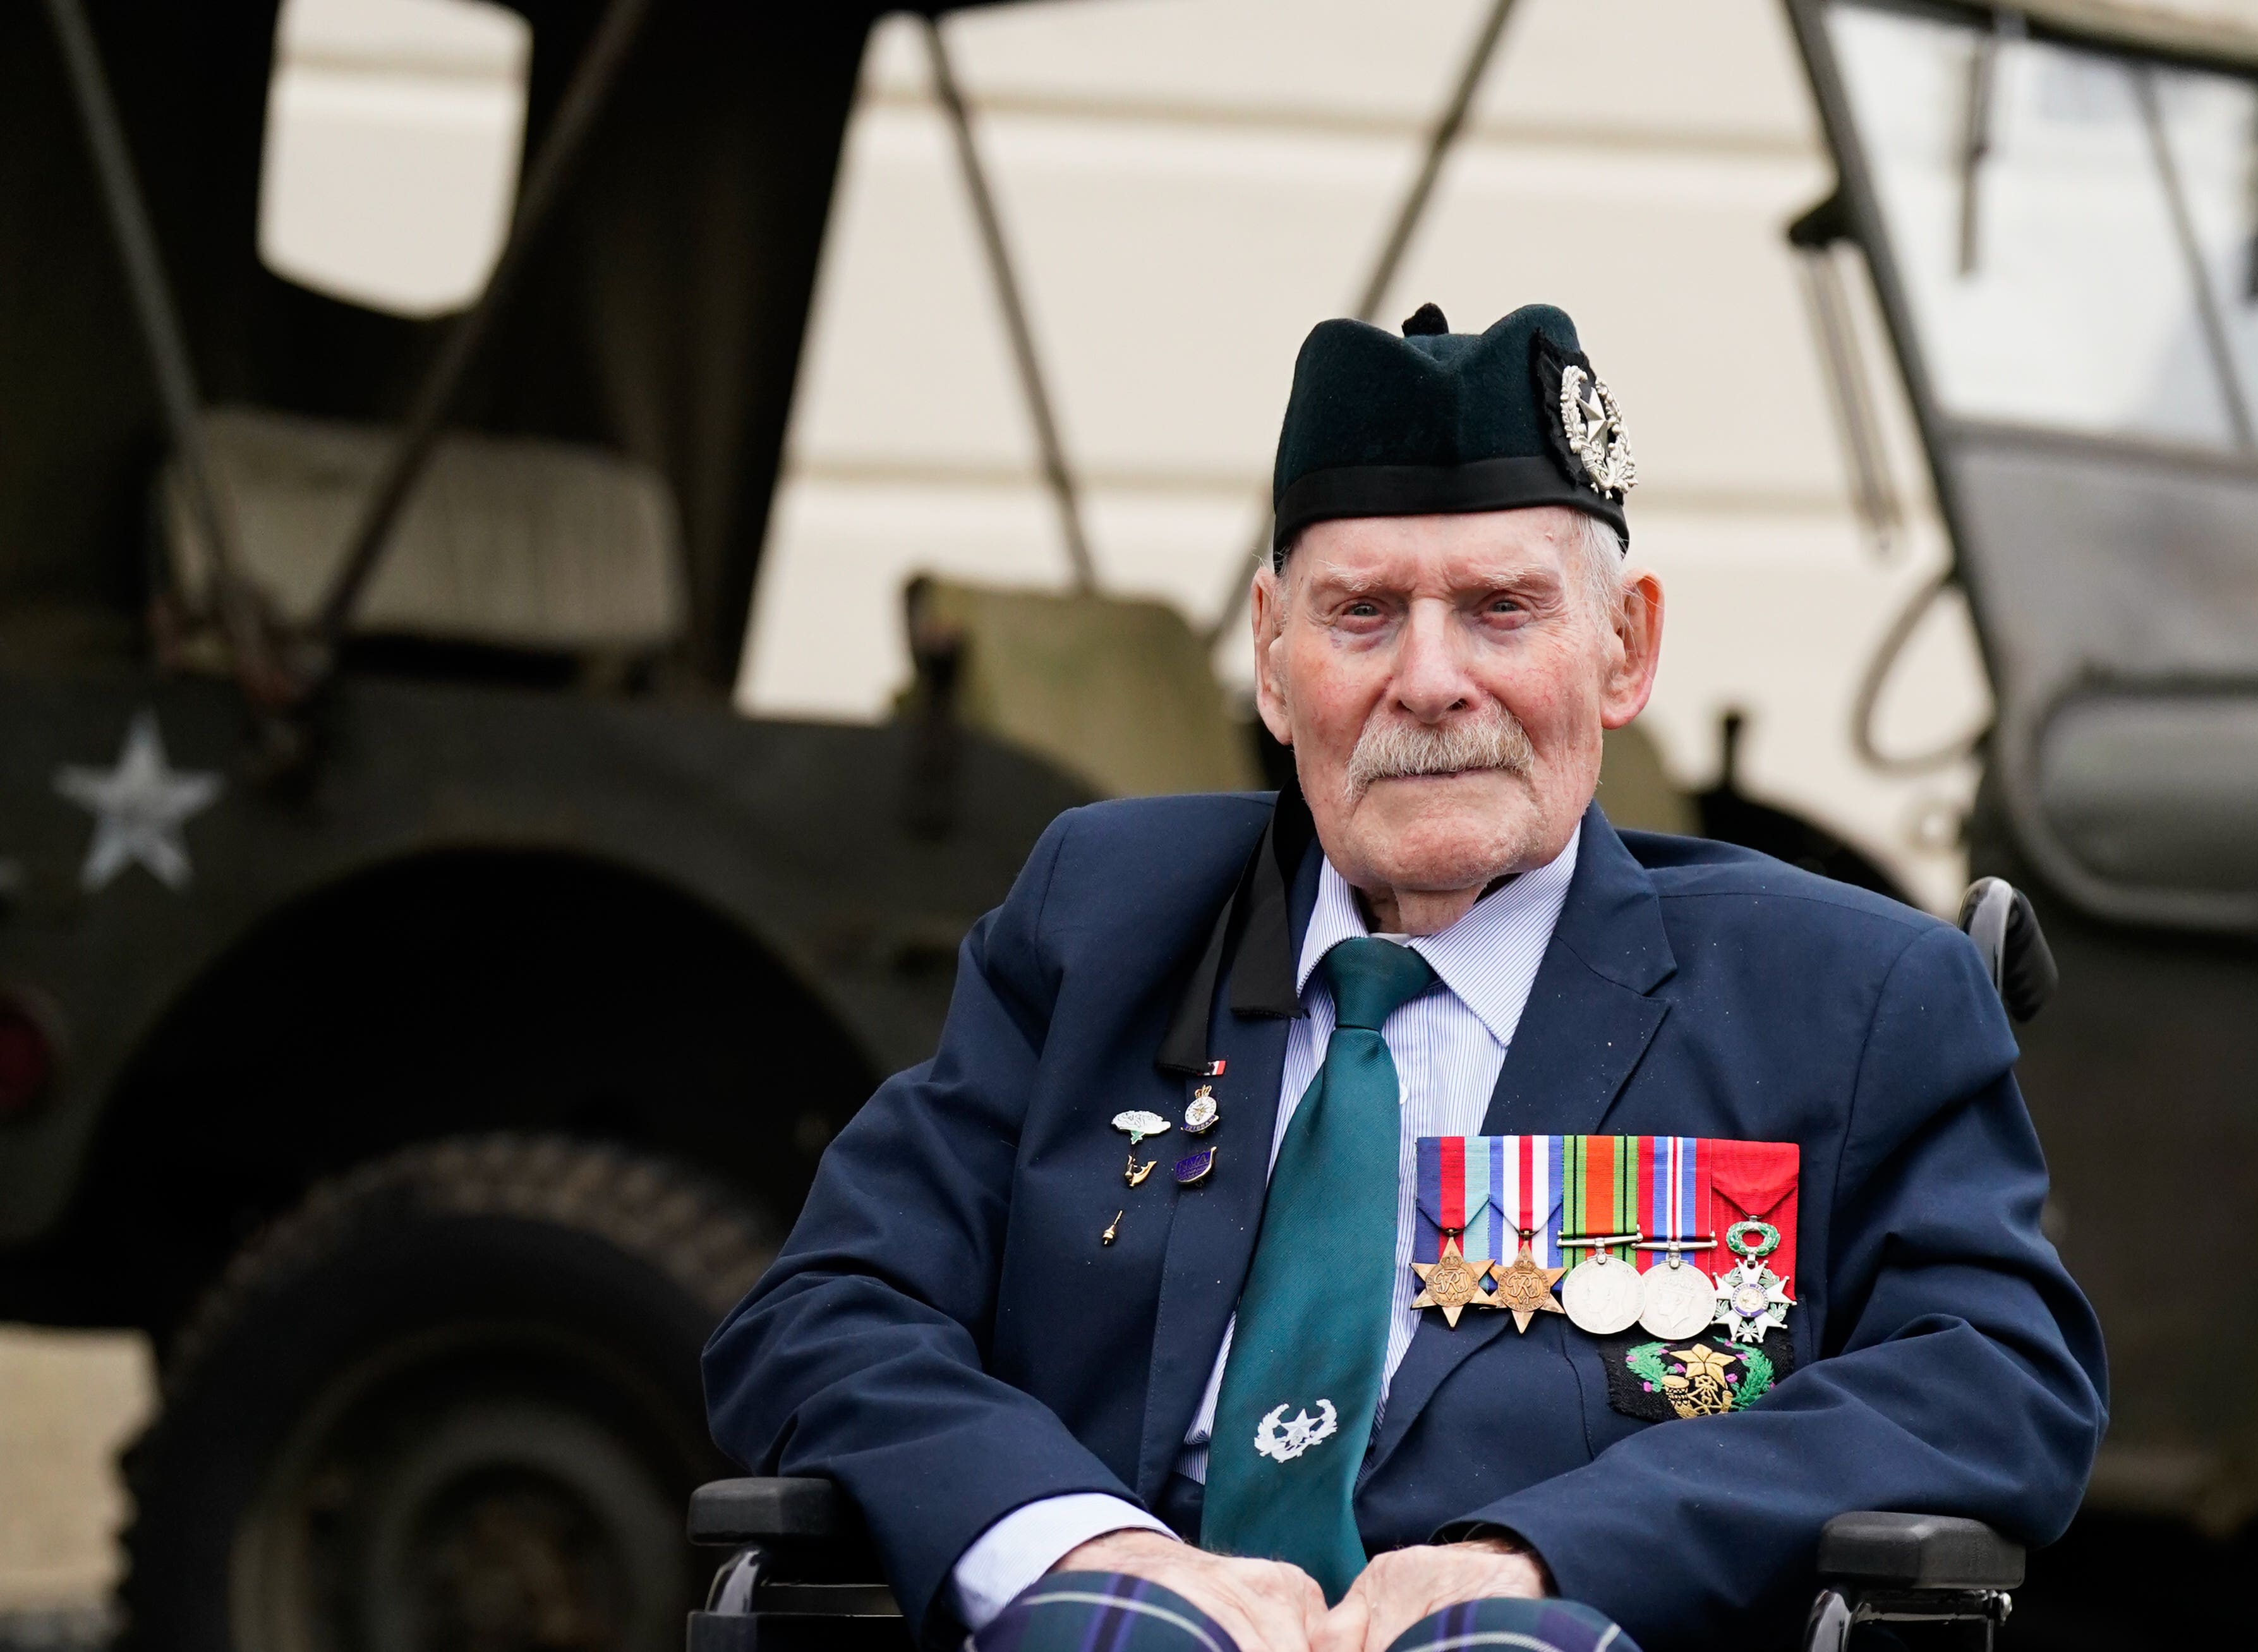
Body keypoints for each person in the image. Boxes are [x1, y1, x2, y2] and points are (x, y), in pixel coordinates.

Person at [704, 303, 2107, 1652]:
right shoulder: (1101, 924)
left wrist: (1544, 1556)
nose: (1430, 682)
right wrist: (1078, 1545)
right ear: (1269, 655)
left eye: (1501, 610)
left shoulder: (1839, 994)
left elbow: (1995, 1376)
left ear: (1621, 650)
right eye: (1362, 614)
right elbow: (826, 1312)